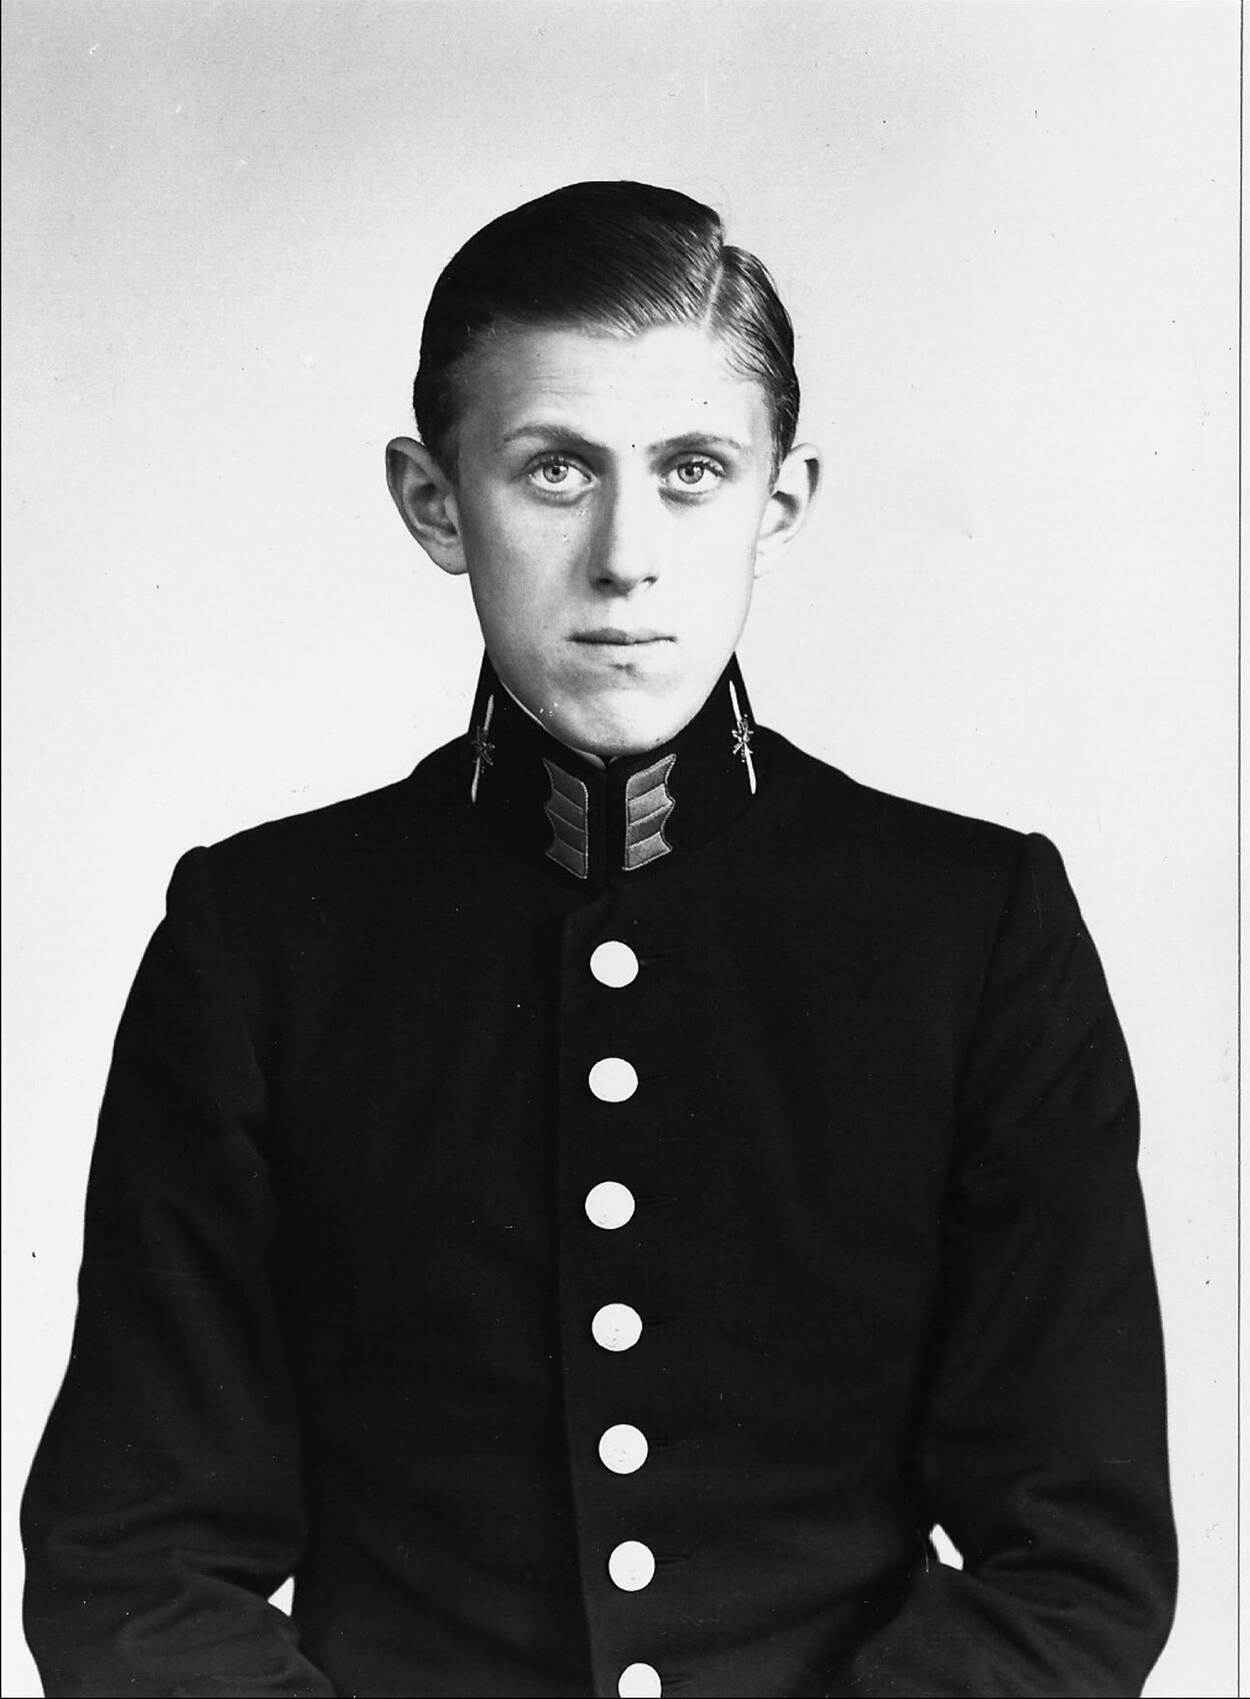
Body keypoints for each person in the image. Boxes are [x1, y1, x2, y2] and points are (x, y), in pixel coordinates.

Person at [22, 181, 1176, 1699]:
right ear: (435, 502)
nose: (627, 554)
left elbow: (1074, 1563)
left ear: (780, 503)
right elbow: (133, 1566)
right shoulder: (261, 940)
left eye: (693, 471)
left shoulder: (970, 927)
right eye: (555, 470)